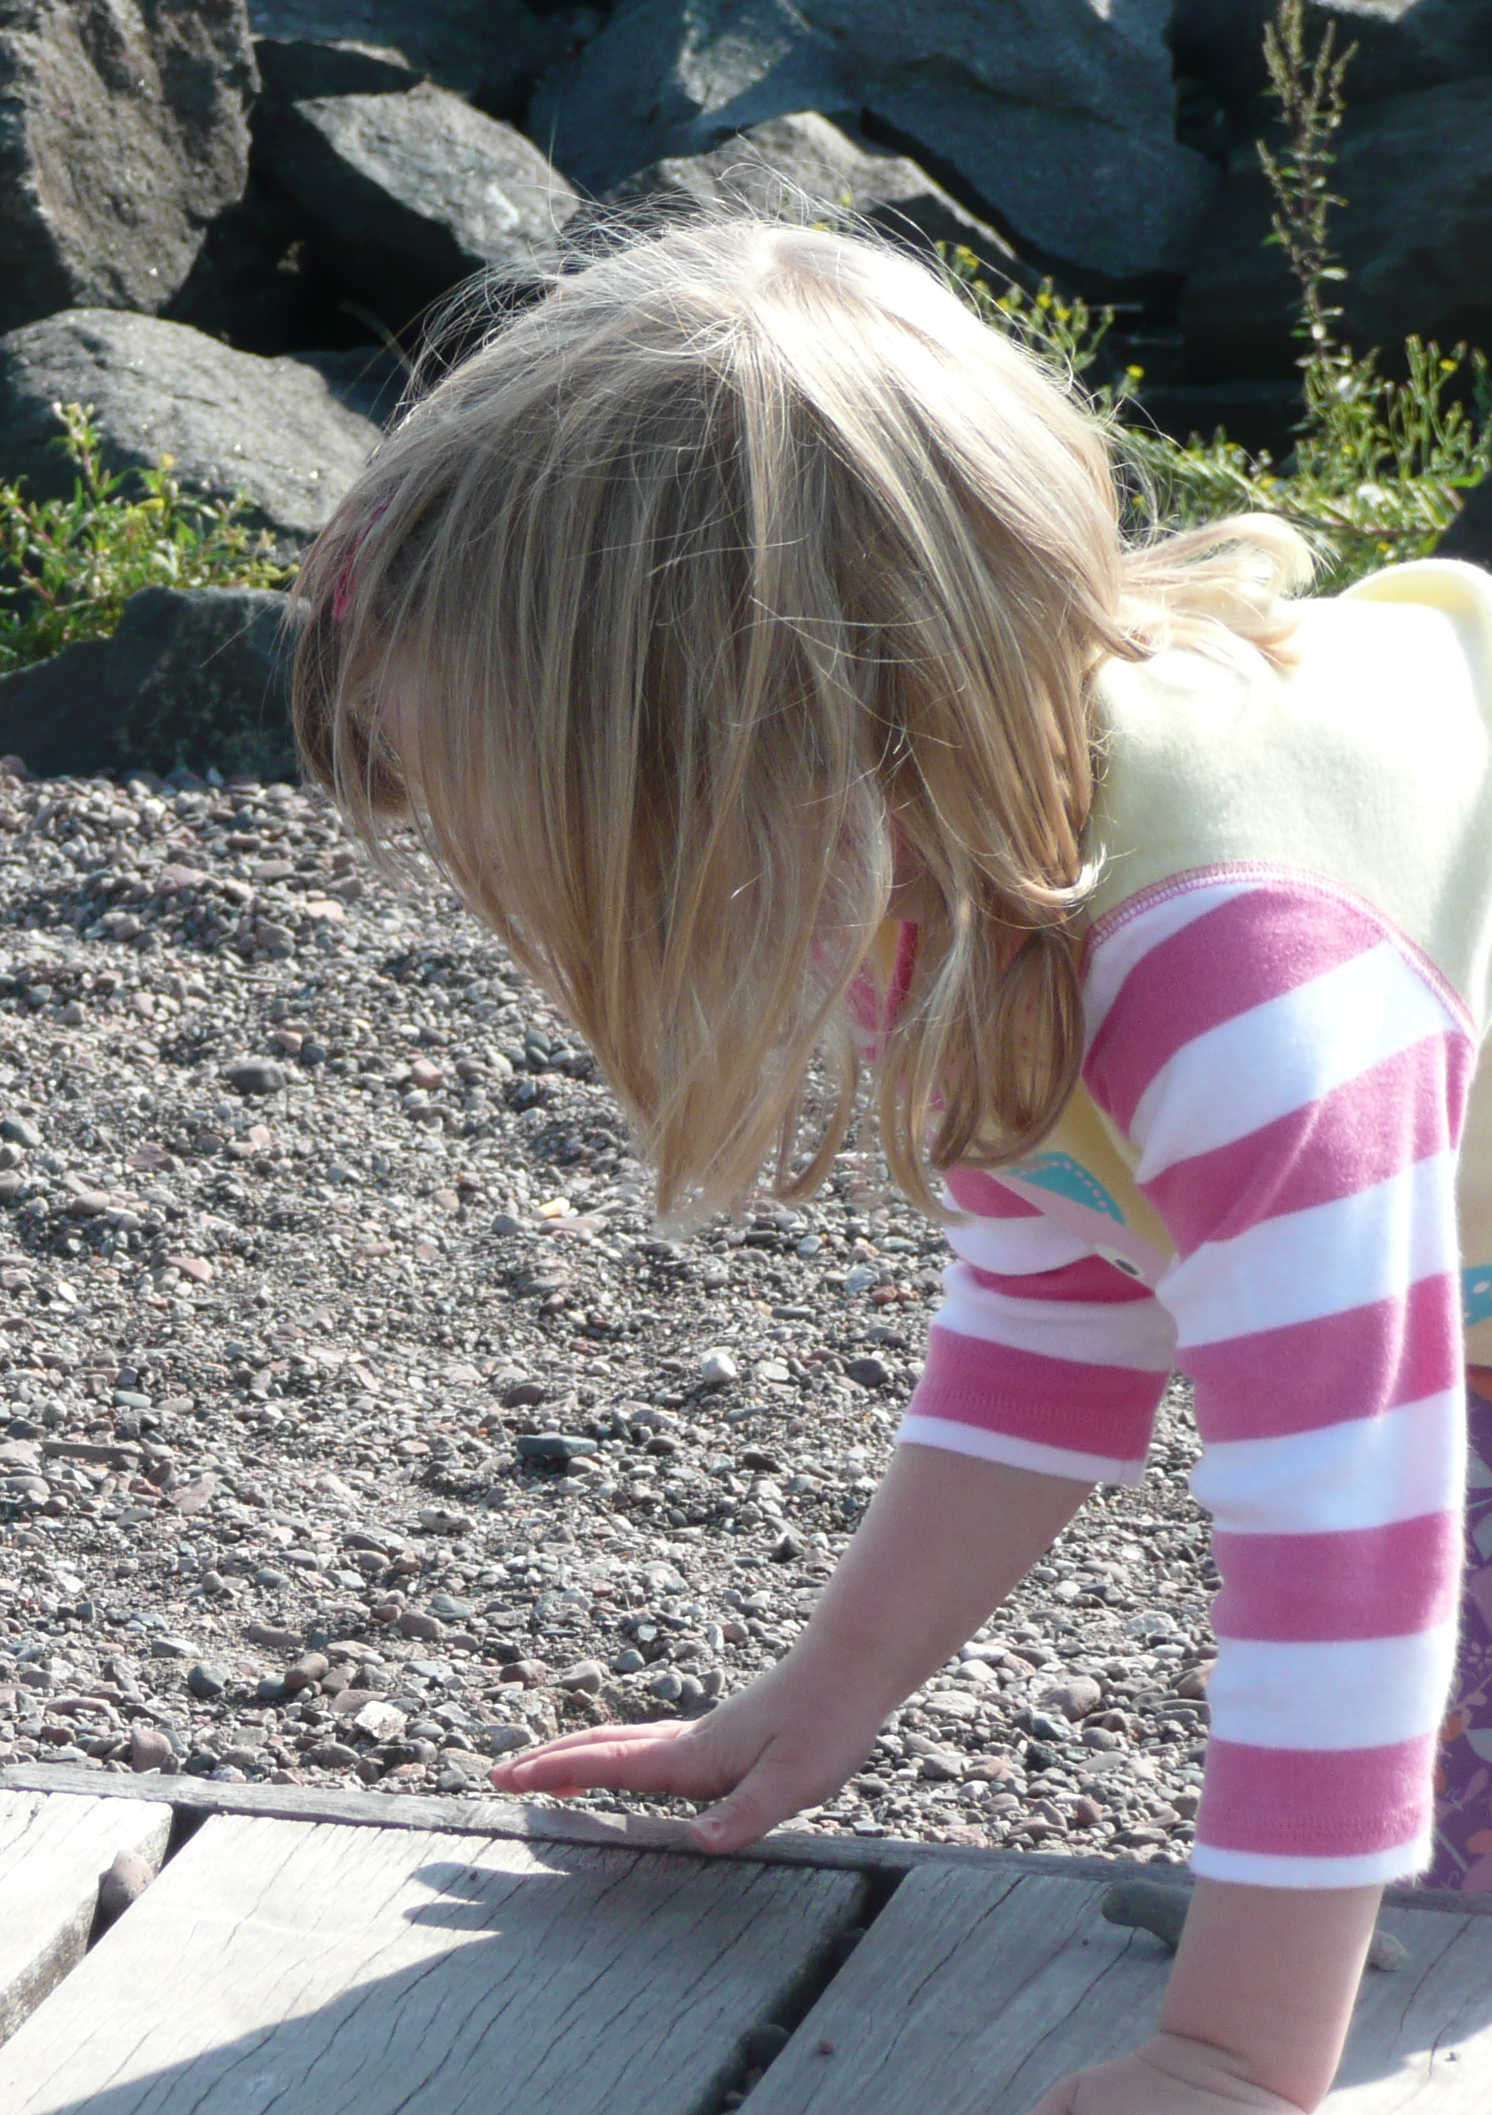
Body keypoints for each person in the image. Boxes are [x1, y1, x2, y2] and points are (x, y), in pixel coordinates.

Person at [288, 216, 1490, 2115]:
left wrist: (1237, 2058)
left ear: (767, 773)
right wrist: (820, 1700)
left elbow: (1348, 1542)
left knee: (1439, 1874)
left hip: (1431, 1274)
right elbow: (1065, 1301)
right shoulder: (936, 846)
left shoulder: (1247, 1002)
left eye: (588, 867)